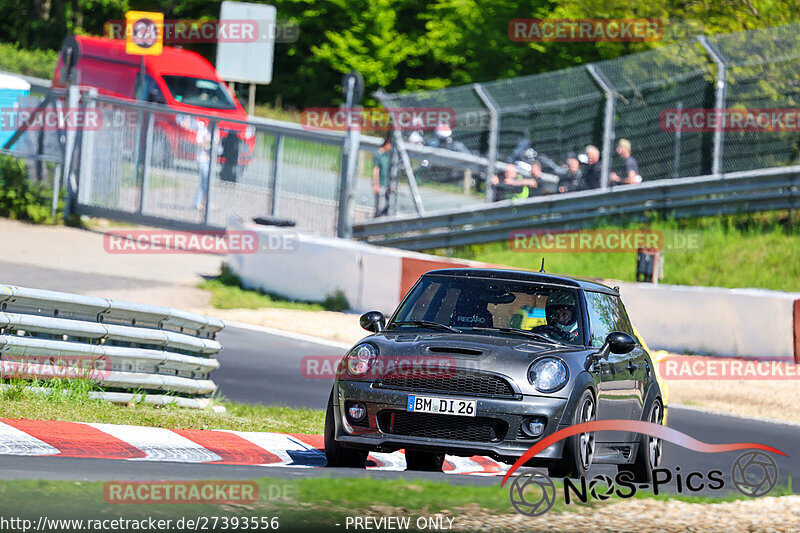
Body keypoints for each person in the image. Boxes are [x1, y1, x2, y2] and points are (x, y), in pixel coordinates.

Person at [191, 119, 212, 211]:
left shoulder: (215, 132)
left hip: (210, 160)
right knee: (204, 182)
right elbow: (199, 143)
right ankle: (197, 202)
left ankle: (204, 202)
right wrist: (208, 142)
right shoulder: (203, 130)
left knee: (207, 183)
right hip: (202, 159)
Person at [372, 138, 393, 217]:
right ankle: (375, 224)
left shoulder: (387, 155)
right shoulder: (378, 154)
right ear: (386, 144)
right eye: (390, 145)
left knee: (387, 205)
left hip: (386, 184)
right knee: (380, 207)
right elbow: (376, 170)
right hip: (380, 184)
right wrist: (376, 184)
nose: (391, 148)